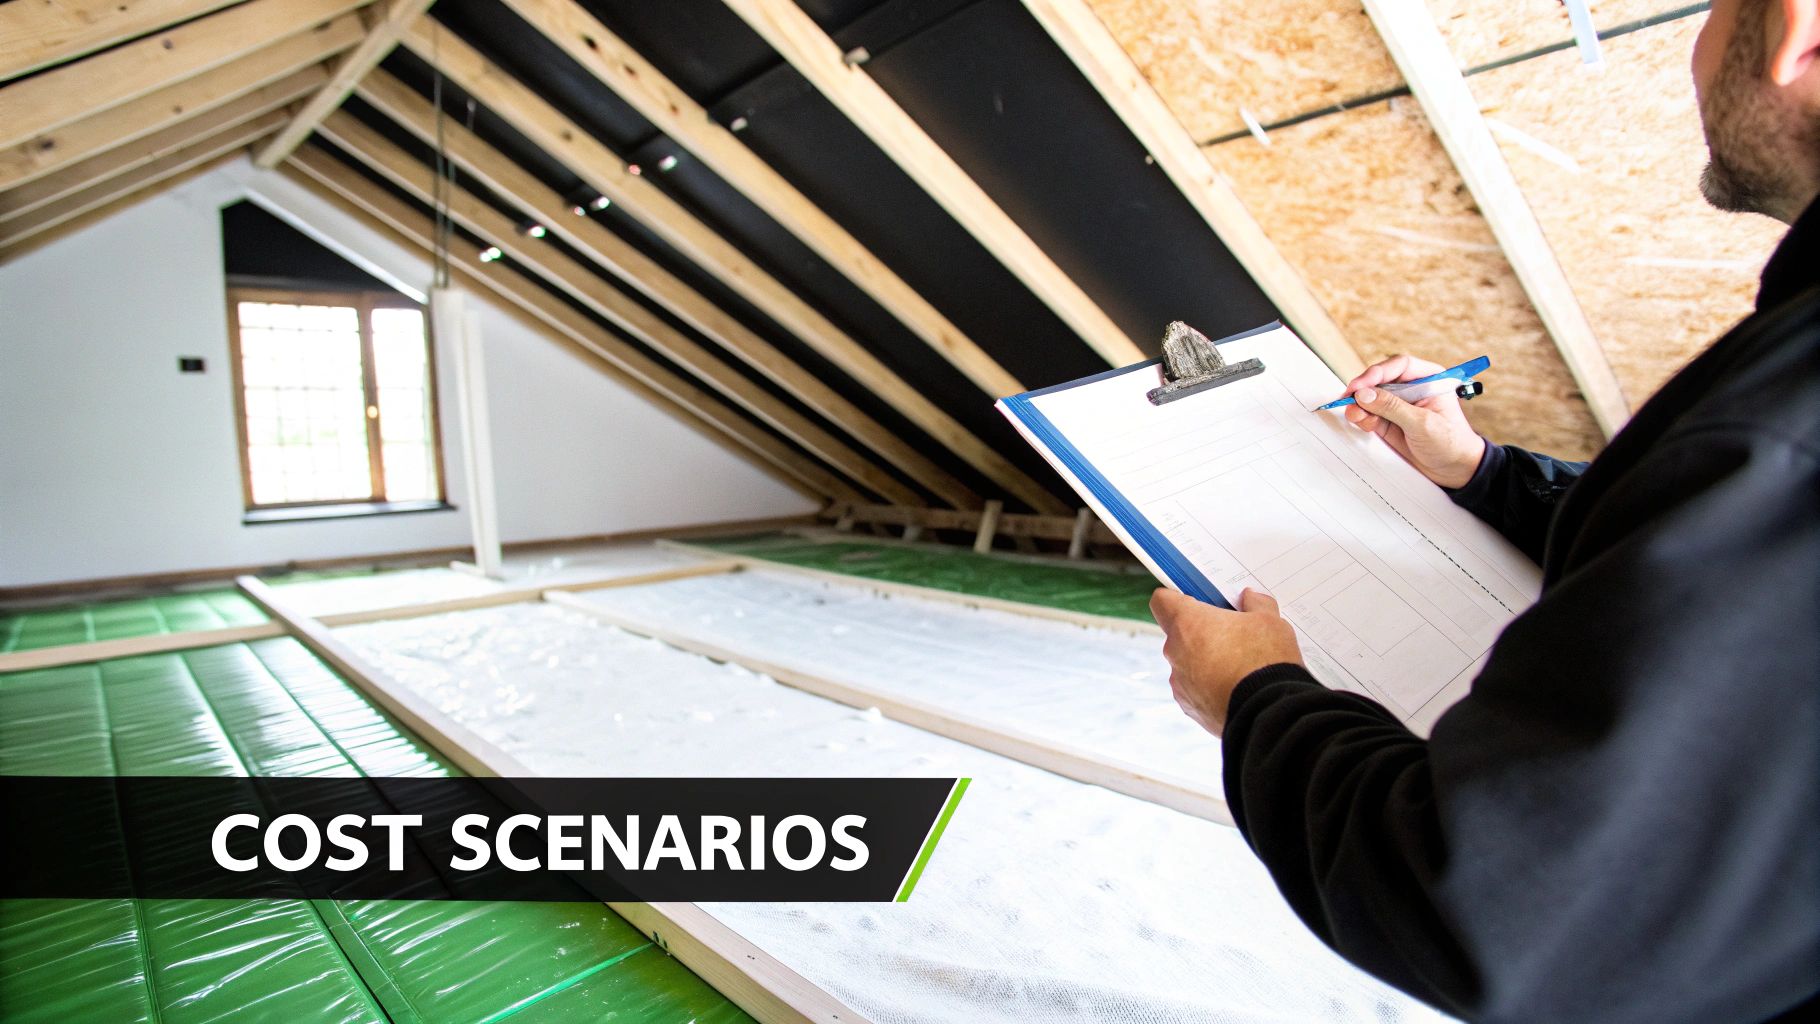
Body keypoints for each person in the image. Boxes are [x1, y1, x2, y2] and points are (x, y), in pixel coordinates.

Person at [1148, 0, 1820, 1020]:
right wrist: (1482, 472)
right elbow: (1686, 558)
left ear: (1794, 33)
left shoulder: (1784, 424)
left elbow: (1496, 907)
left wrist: (1255, 698)